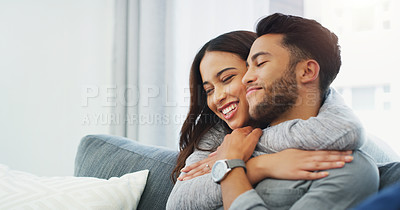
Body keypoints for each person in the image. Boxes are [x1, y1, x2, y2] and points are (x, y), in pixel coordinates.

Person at [166, 14, 379, 210]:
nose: (217, 97)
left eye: (228, 78)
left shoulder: (339, 154)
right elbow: (177, 201)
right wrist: (254, 164)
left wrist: (232, 159)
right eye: (208, 90)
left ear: (307, 71)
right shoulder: (222, 137)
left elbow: (345, 129)